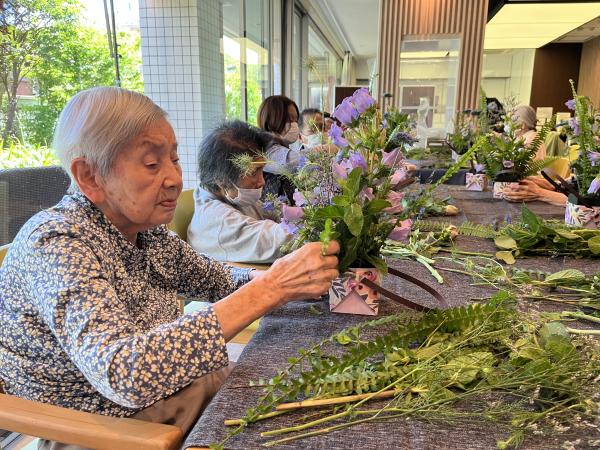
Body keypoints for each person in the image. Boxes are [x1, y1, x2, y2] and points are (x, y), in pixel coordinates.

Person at [0, 87, 339, 447]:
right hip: (105, 428)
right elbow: (125, 371)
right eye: (151, 164)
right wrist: (271, 288)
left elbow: (217, 279)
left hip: (175, 393)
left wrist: (282, 279)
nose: (174, 179)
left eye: (175, 160)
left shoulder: (142, 230)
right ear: (90, 177)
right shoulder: (56, 243)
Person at [188, 120, 293, 263]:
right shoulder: (220, 222)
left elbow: (277, 212)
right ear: (222, 180)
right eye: (254, 172)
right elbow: (282, 239)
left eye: (262, 170)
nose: (262, 181)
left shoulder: (232, 196)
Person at [256, 95, 303, 201]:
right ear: (272, 119)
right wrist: (323, 150)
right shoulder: (263, 146)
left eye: (296, 120)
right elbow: (289, 163)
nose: (294, 125)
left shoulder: (282, 145)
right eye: (289, 120)